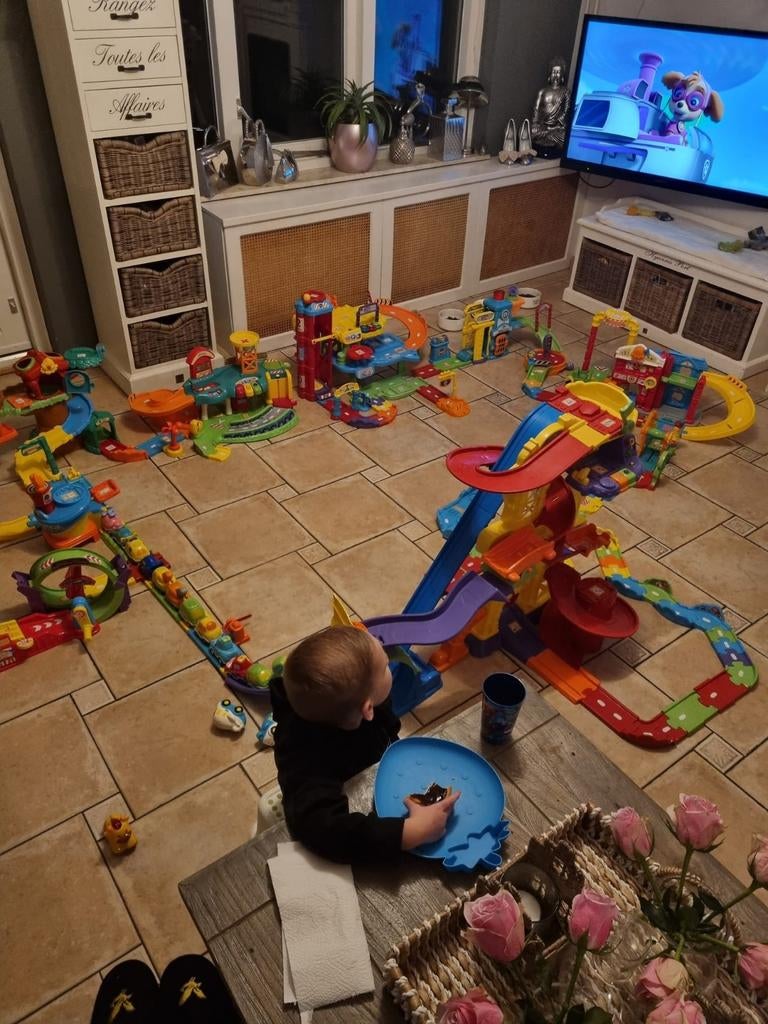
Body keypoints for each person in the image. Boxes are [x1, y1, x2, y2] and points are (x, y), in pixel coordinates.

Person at [271, 625, 460, 863]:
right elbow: (322, 830)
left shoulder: (345, 703)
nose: (390, 664)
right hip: (344, 793)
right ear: (367, 709)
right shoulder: (305, 757)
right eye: (384, 668)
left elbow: (387, 731)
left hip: (375, 764)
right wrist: (410, 833)